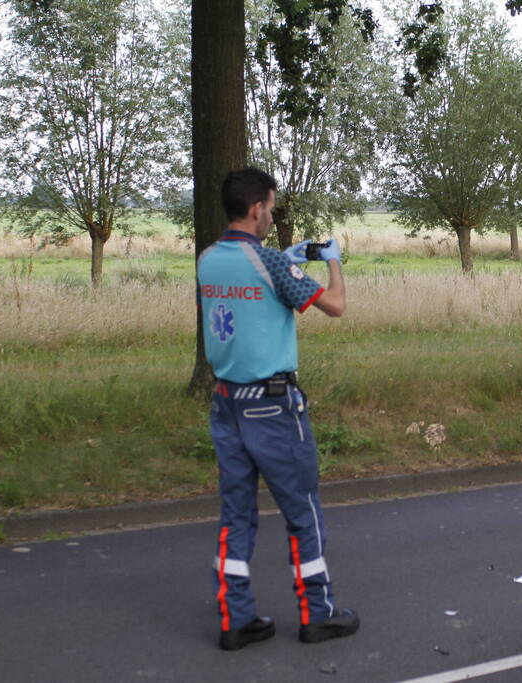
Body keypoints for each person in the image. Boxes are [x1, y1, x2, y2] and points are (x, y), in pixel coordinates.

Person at [197, 167, 358, 651]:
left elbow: (249, 301)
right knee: (302, 513)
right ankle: (318, 614)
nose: (272, 213)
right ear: (256, 208)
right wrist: (331, 262)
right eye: (271, 206)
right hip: (273, 407)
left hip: (226, 403)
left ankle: (235, 618)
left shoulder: (208, 260)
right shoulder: (269, 263)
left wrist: (283, 264)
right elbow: (334, 305)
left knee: (237, 516)